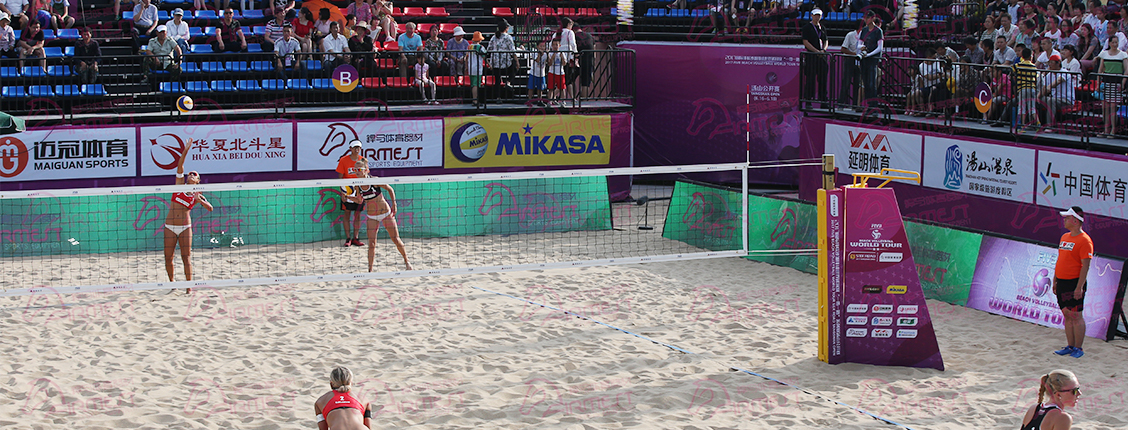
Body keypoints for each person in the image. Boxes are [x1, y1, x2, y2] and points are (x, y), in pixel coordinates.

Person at [338, 160, 412, 271]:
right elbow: (359, 200)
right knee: (371, 243)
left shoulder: (374, 180)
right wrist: (347, 197)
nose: (357, 171)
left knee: (395, 239)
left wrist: (394, 205)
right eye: (355, 169)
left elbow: (390, 189)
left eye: (359, 169)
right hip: (372, 216)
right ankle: (370, 270)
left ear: (366, 170)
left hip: (385, 213)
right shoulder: (357, 185)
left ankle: (407, 261)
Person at [164, 142, 214, 291]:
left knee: (186, 257)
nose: (191, 175)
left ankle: (189, 287)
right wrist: (185, 150)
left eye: (195, 174)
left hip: (185, 227)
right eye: (190, 174)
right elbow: (180, 166)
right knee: (168, 257)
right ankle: (172, 284)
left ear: (198, 181)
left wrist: (201, 201)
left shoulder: (197, 194)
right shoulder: (180, 185)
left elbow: (210, 208)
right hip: (170, 226)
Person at [1051, 206, 1092, 358]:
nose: (1064, 220)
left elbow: (1085, 266)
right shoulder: (1064, 237)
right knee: (1067, 314)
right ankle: (1070, 346)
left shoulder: (1085, 240)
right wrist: (1055, 280)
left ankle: (1078, 348)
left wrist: (1079, 287)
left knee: (1076, 316)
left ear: (1075, 221)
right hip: (1062, 281)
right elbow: (1060, 260)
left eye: (1067, 218)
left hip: (1074, 282)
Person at [336, 140, 367, 247]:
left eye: (358, 147)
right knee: (347, 213)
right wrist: (342, 193)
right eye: (355, 147)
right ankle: (348, 238)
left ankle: (356, 238)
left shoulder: (362, 160)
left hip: (359, 191)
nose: (357, 149)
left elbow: (366, 176)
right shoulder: (343, 160)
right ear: (350, 149)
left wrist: (363, 192)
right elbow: (340, 177)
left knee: (357, 215)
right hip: (348, 190)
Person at [1095, 34, 1128, 136]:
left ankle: (1113, 130)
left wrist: (1122, 83)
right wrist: (1098, 84)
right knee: (1105, 108)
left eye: (1116, 42)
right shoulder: (1104, 54)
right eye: (1113, 42)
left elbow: (1126, 70)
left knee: (1113, 108)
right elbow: (1100, 70)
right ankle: (1106, 129)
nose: (1115, 44)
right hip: (1106, 83)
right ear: (1109, 43)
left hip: (1116, 83)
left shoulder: (1123, 55)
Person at [801, 8, 828, 108]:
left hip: (822, 57)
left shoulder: (822, 28)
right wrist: (816, 51)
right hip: (811, 56)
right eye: (815, 15)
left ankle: (823, 101)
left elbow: (826, 40)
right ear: (811, 15)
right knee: (810, 79)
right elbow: (805, 41)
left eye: (819, 15)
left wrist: (823, 50)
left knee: (823, 79)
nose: (817, 17)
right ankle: (808, 101)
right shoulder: (807, 27)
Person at [1039, 55, 1074, 128]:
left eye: (1051, 62)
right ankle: (1035, 124)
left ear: (1058, 63)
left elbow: (1058, 81)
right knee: (1037, 100)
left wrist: (1049, 87)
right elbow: (1044, 88)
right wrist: (1037, 97)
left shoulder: (1064, 72)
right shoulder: (1049, 75)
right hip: (1055, 98)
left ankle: (1050, 125)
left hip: (1066, 100)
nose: (1049, 65)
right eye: (1049, 63)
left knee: (1051, 101)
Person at [858, 10, 884, 107]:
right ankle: (868, 104)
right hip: (864, 59)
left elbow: (880, 48)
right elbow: (859, 44)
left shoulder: (878, 31)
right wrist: (862, 48)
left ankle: (873, 105)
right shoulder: (864, 30)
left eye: (868, 17)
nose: (866, 20)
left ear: (873, 18)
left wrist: (869, 54)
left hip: (873, 60)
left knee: (872, 83)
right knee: (866, 83)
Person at [489, 19, 516, 100]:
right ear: (506, 28)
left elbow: (489, 48)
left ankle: (498, 97)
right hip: (505, 62)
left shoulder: (494, 37)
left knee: (497, 80)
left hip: (495, 62)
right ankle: (508, 81)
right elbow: (512, 50)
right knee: (514, 68)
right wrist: (517, 60)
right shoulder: (508, 37)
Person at [1013, 47, 1039, 128]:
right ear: (1031, 56)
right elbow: (1036, 76)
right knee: (1032, 107)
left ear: (1022, 56)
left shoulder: (1018, 65)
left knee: (1022, 107)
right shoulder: (1034, 66)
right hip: (1032, 88)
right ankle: (1038, 123)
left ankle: (1022, 125)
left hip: (1023, 88)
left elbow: (1012, 71)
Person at [838, 23, 861, 106]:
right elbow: (843, 49)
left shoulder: (864, 36)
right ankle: (841, 103)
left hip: (859, 61)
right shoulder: (850, 35)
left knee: (857, 84)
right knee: (846, 82)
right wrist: (854, 54)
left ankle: (855, 104)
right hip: (850, 60)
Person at [467, 31, 487, 107]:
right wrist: (489, 64)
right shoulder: (480, 47)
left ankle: (474, 99)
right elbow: (484, 56)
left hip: (470, 67)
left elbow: (466, 57)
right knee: (476, 84)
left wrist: (466, 67)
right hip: (477, 67)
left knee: (473, 84)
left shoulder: (469, 47)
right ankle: (475, 100)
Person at [546, 38, 566, 107]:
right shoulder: (550, 53)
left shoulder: (562, 53)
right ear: (551, 46)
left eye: (556, 45)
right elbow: (549, 64)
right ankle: (550, 101)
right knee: (550, 88)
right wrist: (552, 58)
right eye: (554, 45)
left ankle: (563, 101)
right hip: (552, 72)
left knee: (562, 88)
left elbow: (564, 63)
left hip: (560, 72)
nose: (555, 46)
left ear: (559, 45)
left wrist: (562, 58)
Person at [527, 39, 547, 107]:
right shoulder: (535, 52)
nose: (542, 48)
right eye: (540, 46)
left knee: (540, 88)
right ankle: (529, 100)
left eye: (543, 46)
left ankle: (540, 100)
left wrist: (547, 54)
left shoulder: (546, 54)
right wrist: (539, 54)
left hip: (541, 73)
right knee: (531, 87)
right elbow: (537, 60)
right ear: (537, 46)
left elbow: (549, 61)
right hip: (533, 73)